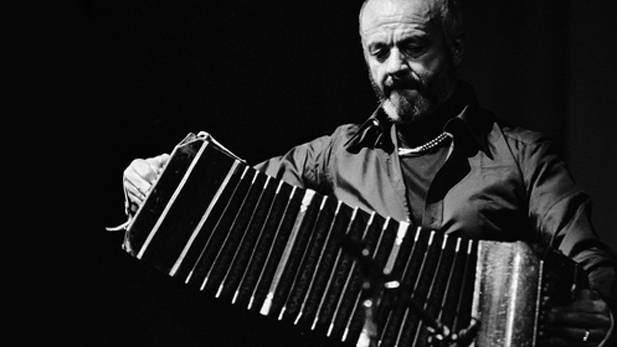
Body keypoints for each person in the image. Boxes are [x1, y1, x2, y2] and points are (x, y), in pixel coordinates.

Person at [121, 0, 616, 345]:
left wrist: (594, 311)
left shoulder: (522, 156)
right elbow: (228, 197)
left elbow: (591, 261)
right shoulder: (334, 155)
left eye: (415, 47)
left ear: (457, 47)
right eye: (379, 52)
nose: (395, 66)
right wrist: (155, 179)